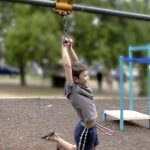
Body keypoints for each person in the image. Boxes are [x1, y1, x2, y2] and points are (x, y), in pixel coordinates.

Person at [42, 37, 99, 150]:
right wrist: (63, 47)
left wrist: (70, 48)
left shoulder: (82, 85)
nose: (88, 78)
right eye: (85, 76)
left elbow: (75, 63)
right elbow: (68, 66)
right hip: (85, 130)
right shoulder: (73, 88)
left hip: (92, 127)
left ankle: (57, 140)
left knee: (93, 146)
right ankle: (57, 140)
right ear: (76, 79)